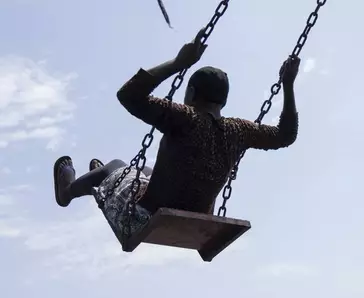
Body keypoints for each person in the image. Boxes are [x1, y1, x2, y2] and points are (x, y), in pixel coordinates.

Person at [53, 28, 300, 242]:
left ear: (191, 93)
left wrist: (177, 64)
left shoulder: (184, 117)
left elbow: (128, 95)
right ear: (223, 100)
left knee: (116, 166)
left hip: (145, 216)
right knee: (144, 172)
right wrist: (287, 85)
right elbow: (285, 135)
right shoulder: (239, 131)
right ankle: (104, 177)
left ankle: (70, 190)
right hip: (198, 218)